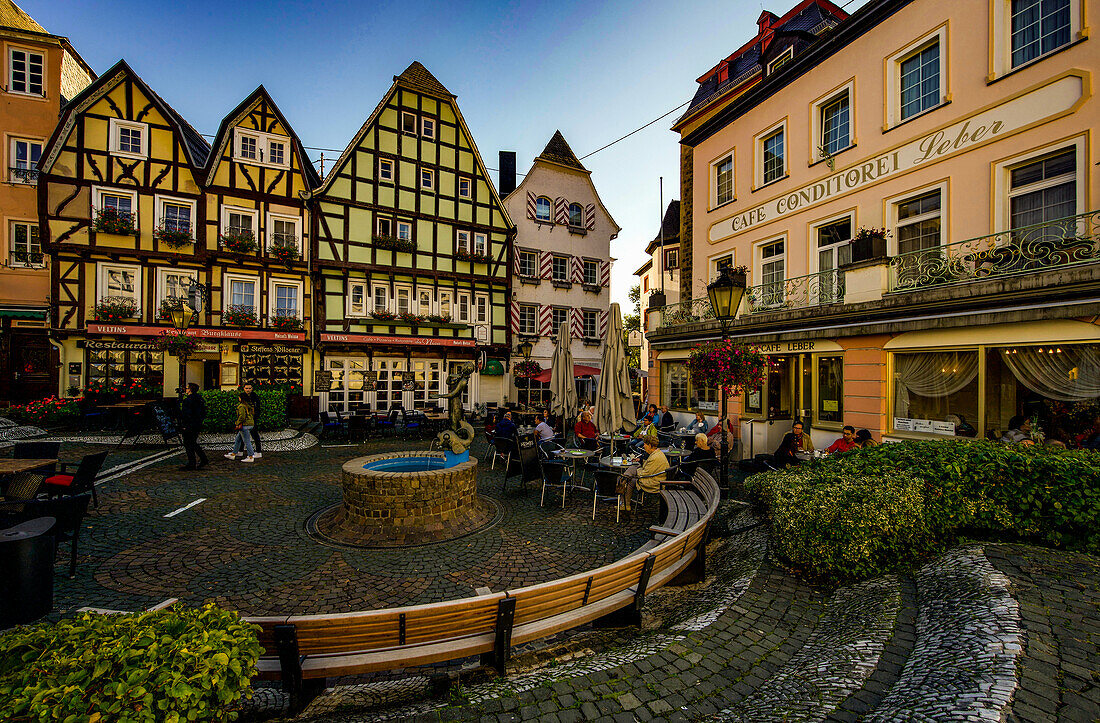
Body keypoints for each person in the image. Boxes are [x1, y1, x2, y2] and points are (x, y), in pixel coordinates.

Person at [618, 436, 668, 511]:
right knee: (631, 472)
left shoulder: (655, 457)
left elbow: (644, 473)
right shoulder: (657, 453)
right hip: (657, 478)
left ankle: (624, 501)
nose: (644, 446)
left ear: (650, 445)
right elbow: (648, 469)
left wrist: (637, 470)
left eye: (645, 444)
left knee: (630, 480)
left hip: (654, 482)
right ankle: (624, 499)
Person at [179, 382, 208, 470]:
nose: (186, 390)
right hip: (197, 424)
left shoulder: (188, 400)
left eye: (187, 388)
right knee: (193, 442)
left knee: (189, 443)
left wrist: (184, 425)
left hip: (190, 425)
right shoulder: (199, 399)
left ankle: (193, 462)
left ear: (190, 390)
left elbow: (186, 414)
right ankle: (202, 459)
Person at [225, 391, 256, 462]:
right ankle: (233, 454)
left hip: (244, 425)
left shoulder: (242, 406)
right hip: (250, 424)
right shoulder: (250, 405)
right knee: (238, 439)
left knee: (246, 441)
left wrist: (237, 423)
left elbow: (242, 416)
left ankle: (250, 456)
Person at [243, 382, 262, 458]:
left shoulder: (255, 397)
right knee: (241, 435)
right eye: (246, 388)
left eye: (249, 388)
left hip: (252, 419)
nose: (248, 390)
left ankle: (258, 451)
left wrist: (255, 418)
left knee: (255, 435)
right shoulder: (243, 396)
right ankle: (239, 451)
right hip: (245, 419)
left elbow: (258, 408)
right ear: (244, 389)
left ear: (252, 389)